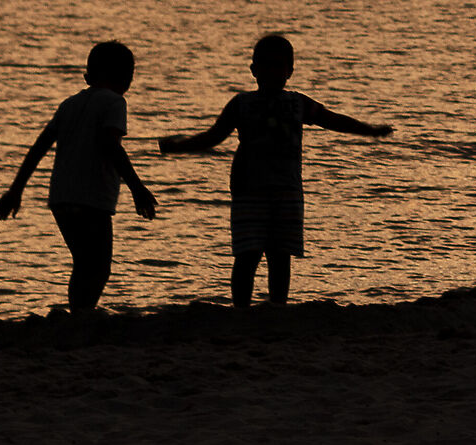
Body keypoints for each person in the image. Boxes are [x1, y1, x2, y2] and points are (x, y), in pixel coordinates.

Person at [158, 32, 392, 308]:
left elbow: (332, 120)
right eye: (265, 65)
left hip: (287, 191)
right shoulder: (241, 104)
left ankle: (277, 307)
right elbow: (213, 136)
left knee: (280, 255)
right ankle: (240, 310)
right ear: (254, 70)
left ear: (289, 71)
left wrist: (370, 131)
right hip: (249, 190)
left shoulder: (297, 103)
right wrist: (178, 147)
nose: (271, 71)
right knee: (247, 253)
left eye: (278, 65)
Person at [0, 39, 158, 313]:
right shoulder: (115, 102)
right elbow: (111, 146)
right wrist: (137, 187)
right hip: (92, 198)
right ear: (125, 78)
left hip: (61, 197)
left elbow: (39, 147)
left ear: (88, 75)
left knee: (83, 262)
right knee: (99, 265)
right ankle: (82, 316)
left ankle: (78, 314)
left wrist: (16, 190)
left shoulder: (69, 104)